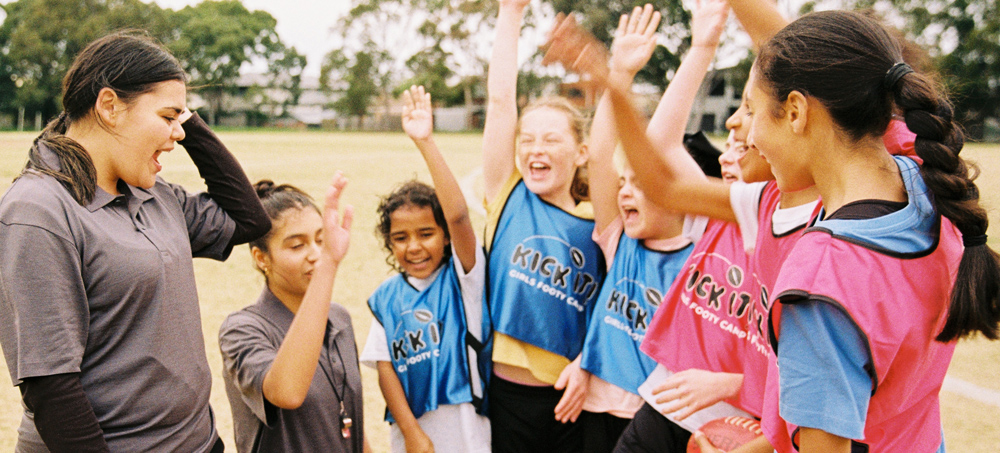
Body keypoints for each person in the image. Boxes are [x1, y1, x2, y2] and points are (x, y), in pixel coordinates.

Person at [542, 6, 819, 452]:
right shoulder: (751, 206)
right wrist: (619, 76)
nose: (732, 132)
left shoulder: (826, 230)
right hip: (667, 404)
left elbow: (823, 377)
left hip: (743, 419)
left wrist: (733, 383)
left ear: (795, 119)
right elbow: (660, 164)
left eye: (746, 114)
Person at [0, 31, 270, 452]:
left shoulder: (153, 193)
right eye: (167, 118)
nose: (178, 133)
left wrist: (189, 121)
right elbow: (50, 388)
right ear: (109, 106)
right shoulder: (38, 210)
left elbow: (249, 219)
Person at [573, 4, 716, 452]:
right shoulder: (620, 241)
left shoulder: (700, 253)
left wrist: (701, 48)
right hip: (595, 406)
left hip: (657, 418)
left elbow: (661, 142)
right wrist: (619, 73)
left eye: (644, 183)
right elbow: (600, 157)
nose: (627, 192)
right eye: (626, 182)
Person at [482, 0, 606, 451]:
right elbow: (499, 105)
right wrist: (511, 14)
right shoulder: (508, 196)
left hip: (574, 397)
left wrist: (587, 364)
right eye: (527, 139)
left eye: (552, 139)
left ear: (582, 152)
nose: (536, 148)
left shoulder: (602, 220)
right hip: (506, 399)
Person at [359, 86, 491, 453]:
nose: (414, 246)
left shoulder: (464, 279)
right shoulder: (386, 298)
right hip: (413, 433)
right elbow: (385, 370)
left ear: (446, 237)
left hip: (468, 427)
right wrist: (411, 432)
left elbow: (460, 216)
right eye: (400, 237)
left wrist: (426, 142)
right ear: (389, 243)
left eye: (426, 233)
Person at [219, 174, 367, 453]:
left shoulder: (340, 319)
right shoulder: (242, 329)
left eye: (321, 240)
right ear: (261, 258)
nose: (316, 253)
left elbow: (345, 417)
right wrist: (329, 265)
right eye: (297, 245)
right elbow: (287, 391)